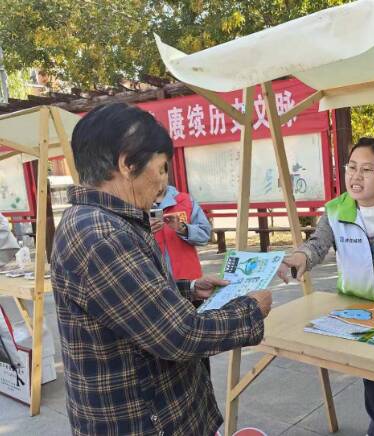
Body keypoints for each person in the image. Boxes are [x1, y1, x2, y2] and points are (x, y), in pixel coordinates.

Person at [50, 103, 272, 436]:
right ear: (127, 164)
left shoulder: (102, 221)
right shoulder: (101, 234)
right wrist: (251, 310)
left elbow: (136, 304)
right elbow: (179, 335)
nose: (163, 183)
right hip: (144, 420)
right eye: (161, 167)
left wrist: (189, 289)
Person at [278, 137, 374, 436]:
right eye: (351, 167)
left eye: (367, 169)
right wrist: (297, 258)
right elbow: (316, 246)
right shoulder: (335, 210)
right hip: (360, 312)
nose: (356, 176)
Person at [152, 184, 211, 281]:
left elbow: (205, 235)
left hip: (188, 279)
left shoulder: (185, 201)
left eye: (161, 171)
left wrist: (183, 229)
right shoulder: (136, 205)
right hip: (153, 281)